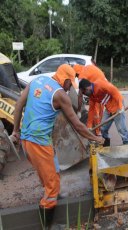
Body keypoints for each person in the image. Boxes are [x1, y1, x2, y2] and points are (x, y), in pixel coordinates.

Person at [11, 64, 104, 228]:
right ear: (66, 80)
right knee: (52, 185)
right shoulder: (61, 95)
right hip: (38, 143)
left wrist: (15, 131)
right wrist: (95, 138)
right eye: (70, 84)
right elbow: (78, 125)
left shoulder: (37, 81)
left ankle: (53, 194)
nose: (69, 89)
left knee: (53, 168)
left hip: (27, 141)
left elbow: (18, 105)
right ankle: (48, 223)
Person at [78, 78, 128, 146]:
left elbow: (115, 92)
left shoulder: (100, 84)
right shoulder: (91, 96)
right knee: (103, 128)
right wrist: (89, 126)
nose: (84, 95)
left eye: (83, 92)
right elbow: (91, 110)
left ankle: (127, 143)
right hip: (108, 108)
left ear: (87, 88)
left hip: (117, 105)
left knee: (121, 129)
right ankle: (106, 142)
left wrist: (120, 106)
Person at [73, 63, 107, 136]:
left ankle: (98, 133)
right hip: (97, 87)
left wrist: (78, 111)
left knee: (96, 112)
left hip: (100, 89)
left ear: (77, 73)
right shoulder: (87, 68)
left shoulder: (81, 76)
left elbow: (80, 95)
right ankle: (89, 127)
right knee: (92, 108)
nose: (76, 78)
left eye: (76, 76)